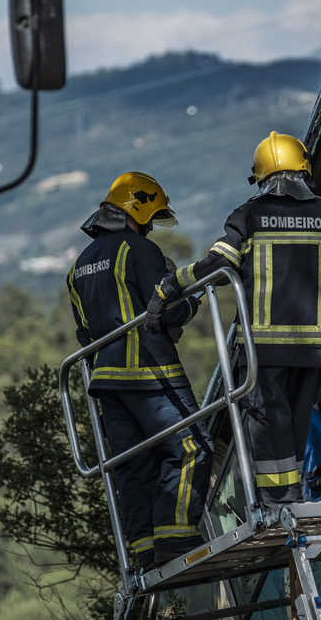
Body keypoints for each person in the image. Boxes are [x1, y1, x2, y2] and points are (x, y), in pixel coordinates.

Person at [145, 131, 321, 507]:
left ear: (261, 176)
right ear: (304, 169)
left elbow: (216, 265)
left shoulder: (248, 216)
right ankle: (291, 495)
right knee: (297, 424)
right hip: (314, 349)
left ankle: (278, 503)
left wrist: (168, 288)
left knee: (268, 426)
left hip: (262, 350)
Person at [66, 172, 214, 568]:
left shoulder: (78, 267)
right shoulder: (139, 250)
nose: (150, 226)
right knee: (192, 447)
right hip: (149, 370)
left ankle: (145, 550)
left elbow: (85, 333)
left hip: (107, 383)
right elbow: (169, 308)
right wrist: (192, 302)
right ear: (139, 209)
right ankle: (177, 538)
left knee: (132, 466)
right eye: (150, 218)